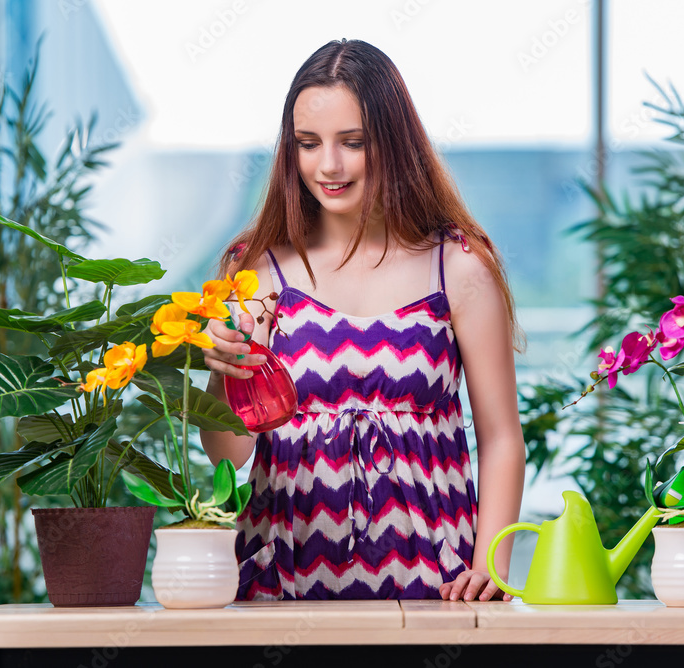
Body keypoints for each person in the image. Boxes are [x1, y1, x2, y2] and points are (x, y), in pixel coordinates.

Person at [201, 38, 526, 602]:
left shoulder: (460, 267)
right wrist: (224, 370)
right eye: (308, 144)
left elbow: (501, 438)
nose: (328, 165)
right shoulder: (259, 268)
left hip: (437, 584)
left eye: (352, 142)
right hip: (283, 580)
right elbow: (226, 454)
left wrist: (490, 567)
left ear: (395, 143)